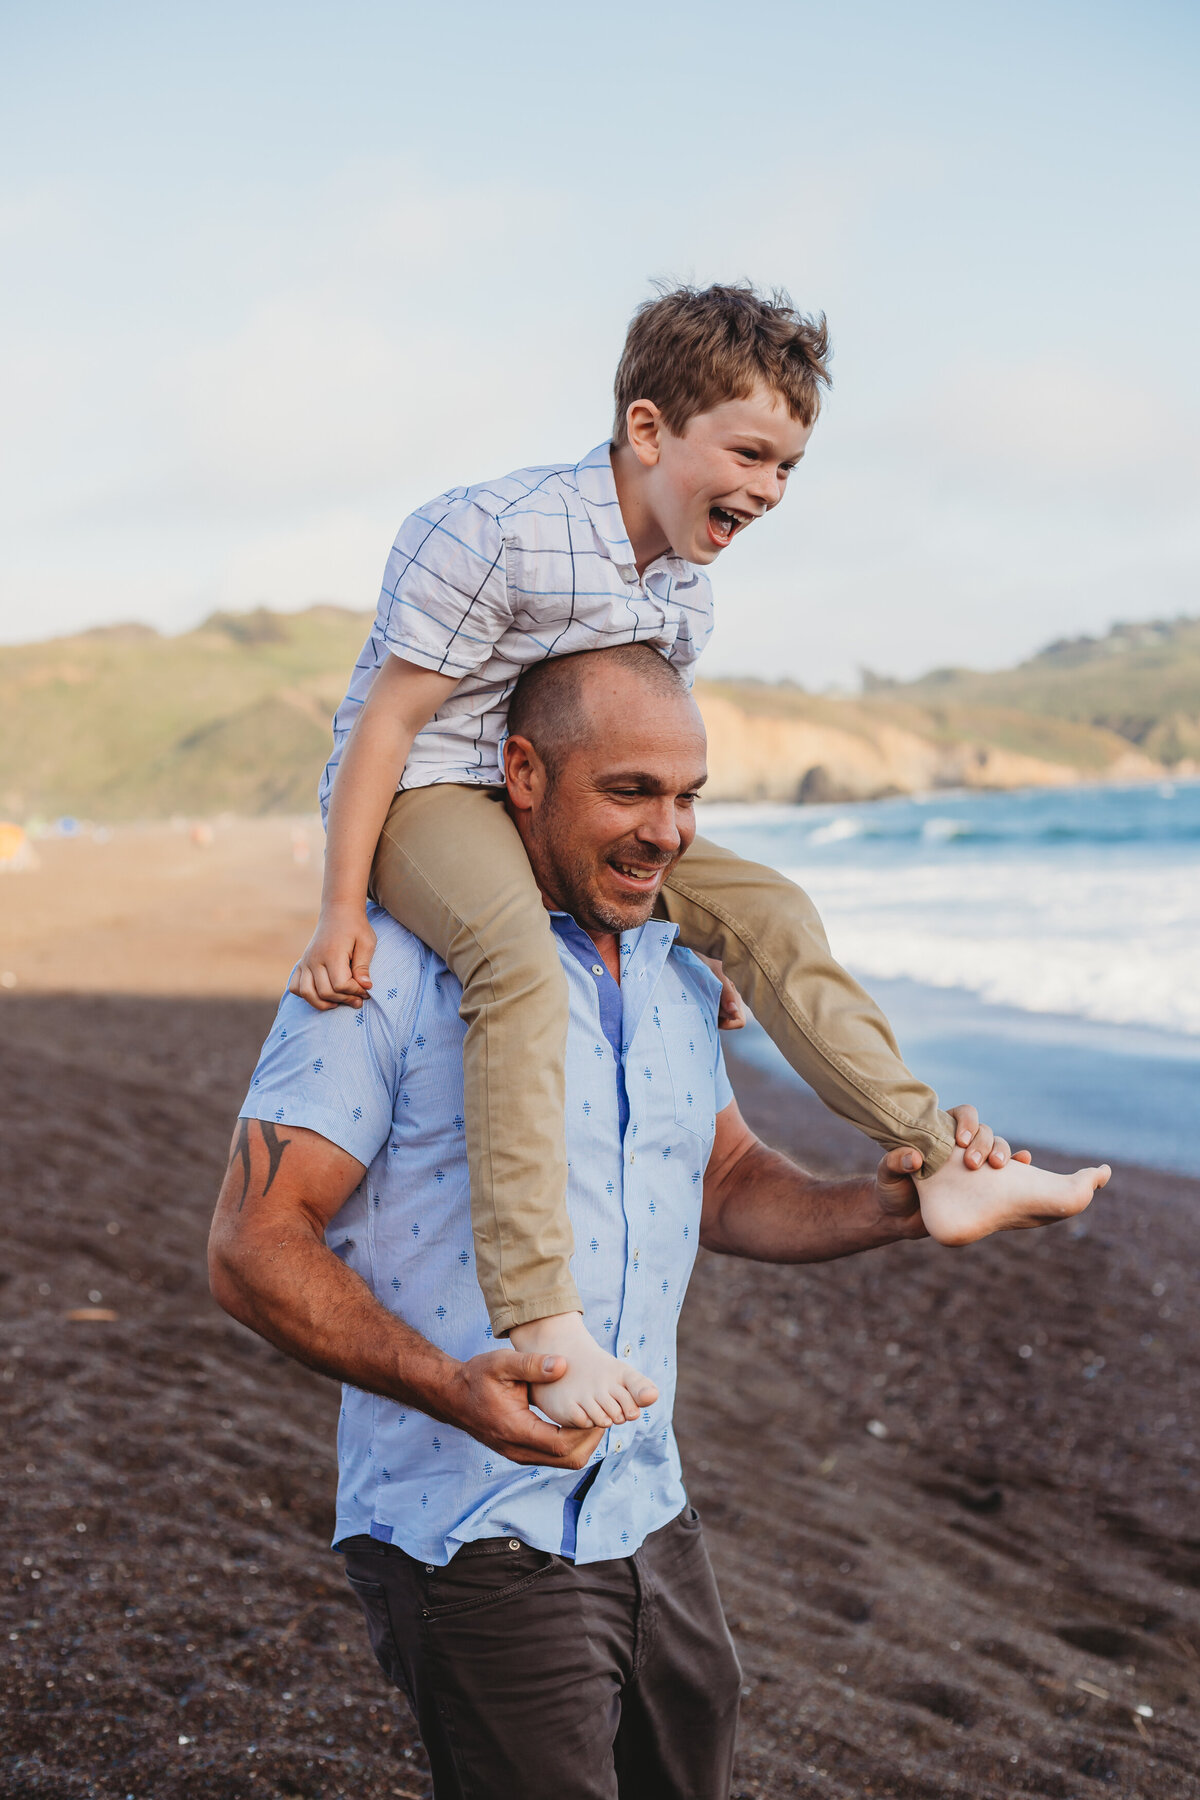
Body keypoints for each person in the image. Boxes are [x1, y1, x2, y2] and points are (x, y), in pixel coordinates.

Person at [209, 646, 1109, 1800]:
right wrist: (449, 1385)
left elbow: (722, 1180)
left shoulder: (678, 962)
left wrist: (895, 1209)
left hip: (649, 1506)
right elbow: (251, 1243)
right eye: (630, 792)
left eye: (689, 797)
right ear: (523, 775)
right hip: (472, 1530)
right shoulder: (383, 973)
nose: (668, 831)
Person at [286, 282, 1102, 1433]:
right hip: (430, 789)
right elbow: (383, 722)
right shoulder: (492, 531)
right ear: (650, 429)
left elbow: (645, 770)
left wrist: (682, 918)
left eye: (789, 469)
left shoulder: (683, 596)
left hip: (562, 795)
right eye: (752, 454)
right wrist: (338, 910)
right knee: (516, 960)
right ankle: (543, 1319)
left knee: (770, 907)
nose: (768, 490)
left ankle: (940, 1156)